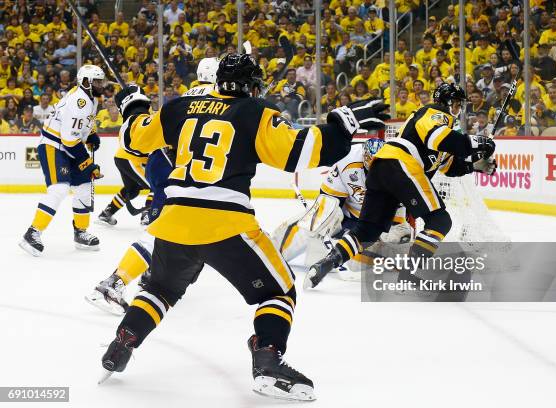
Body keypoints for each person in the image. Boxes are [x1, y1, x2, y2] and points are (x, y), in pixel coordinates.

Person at [99, 54, 389, 401]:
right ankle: (267, 359)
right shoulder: (255, 111)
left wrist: (133, 106)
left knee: (160, 290)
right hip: (225, 223)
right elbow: (296, 153)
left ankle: (122, 343)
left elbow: (134, 139)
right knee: (278, 292)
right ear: (252, 85)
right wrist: (342, 125)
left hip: (174, 219)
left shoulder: (179, 108)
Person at [305, 83, 497, 289]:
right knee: (440, 221)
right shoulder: (434, 112)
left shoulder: (444, 138)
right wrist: (478, 142)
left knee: (368, 230)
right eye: (457, 104)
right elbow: (439, 137)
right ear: (448, 102)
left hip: (382, 169)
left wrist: (476, 165)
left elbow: (449, 166)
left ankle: (326, 263)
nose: (459, 109)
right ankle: (410, 272)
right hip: (401, 164)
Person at [87, 58, 220, 314]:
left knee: (180, 232)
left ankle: (141, 275)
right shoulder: (221, 98)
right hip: (182, 173)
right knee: (166, 232)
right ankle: (117, 282)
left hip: (165, 164)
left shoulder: (185, 97)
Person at [272, 138, 411, 270]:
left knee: (395, 241)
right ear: (365, 161)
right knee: (320, 215)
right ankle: (276, 254)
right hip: (348, 218)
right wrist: (328, 227)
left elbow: (397, 218)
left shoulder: (399, 171)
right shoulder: (347, 160)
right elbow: (326, 200)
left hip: (373, 224)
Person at [19, 65, 105, 256]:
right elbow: (69, 139)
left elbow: (85, 124)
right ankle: (32, 233)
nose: (101, 84)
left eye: (101, 81)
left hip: (70, 145)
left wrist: (91, 134)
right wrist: (87, 163)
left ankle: (80, 232)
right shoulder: (78, 101)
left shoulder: (92, 99)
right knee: (59, 188)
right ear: (85, 82)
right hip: (54, 144)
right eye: (97, 81)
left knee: (84, 185)